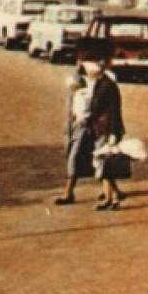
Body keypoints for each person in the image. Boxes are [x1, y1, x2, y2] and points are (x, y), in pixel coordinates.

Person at [85, 59, 128, 209]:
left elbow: (113, 110)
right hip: (102, 129)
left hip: (107, 130)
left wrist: (113, 133)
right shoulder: (101, 84)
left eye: (89, 70)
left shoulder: (107, 86)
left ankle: (110, 199)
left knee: (104, 164)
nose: (87, 73)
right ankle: (113, 197)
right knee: (104, 165)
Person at [55, 68, 94, 205]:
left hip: (82, 131)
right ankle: (113, 192)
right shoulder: (73, 96)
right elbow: (69, 118)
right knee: (90, 162)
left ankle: (68, 193)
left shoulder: (85, 95)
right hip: (72, 131)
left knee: (74, 160)